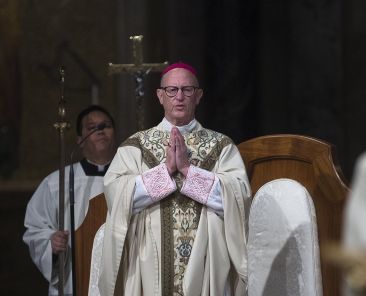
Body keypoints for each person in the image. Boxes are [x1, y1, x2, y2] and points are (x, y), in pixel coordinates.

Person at [98, 62, 251, 296]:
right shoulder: (135, 146)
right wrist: (166, 171)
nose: (179, 96)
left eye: (187, 90)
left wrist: (189, 171)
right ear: (160, 96)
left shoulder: (222, 146)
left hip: (207, 259)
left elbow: (238, 199)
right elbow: (118, 195)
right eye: (172, 90)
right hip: (151, 264)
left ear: (198, 96)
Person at [23, 105, 117, 296]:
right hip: (74, 283)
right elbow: (35, 229)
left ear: (114, 134)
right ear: (79, 141)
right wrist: (51, 242)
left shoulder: (132, 178)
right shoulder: (57, 183)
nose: (100, 130)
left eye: (105, 125)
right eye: (92, 127)